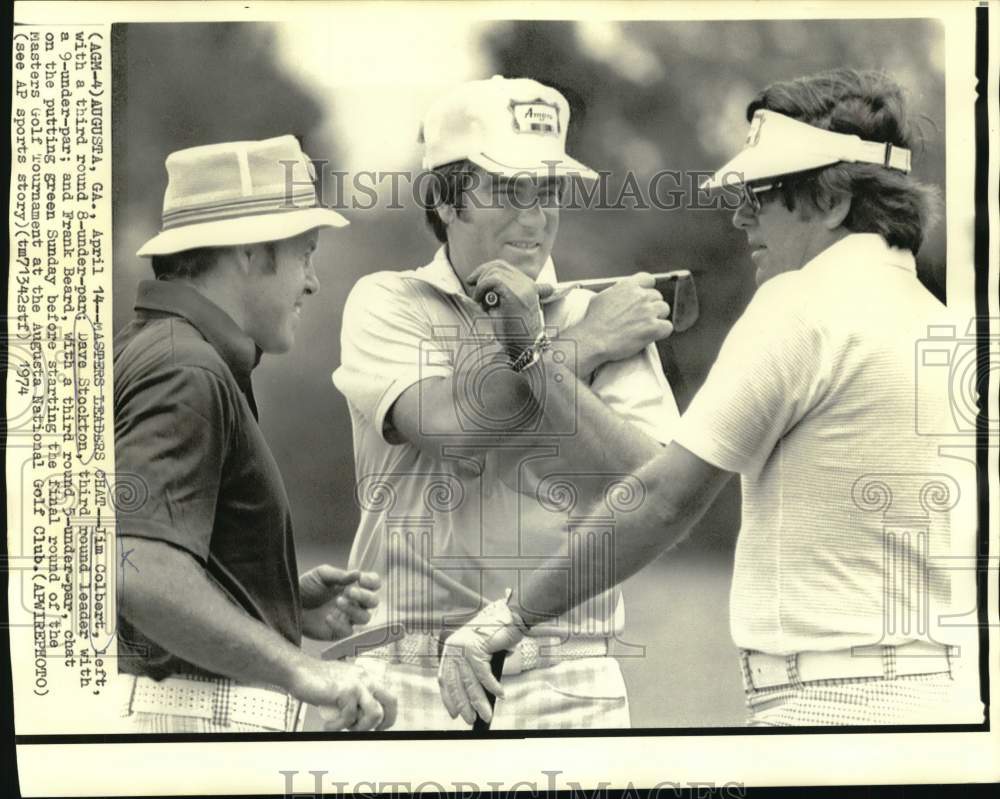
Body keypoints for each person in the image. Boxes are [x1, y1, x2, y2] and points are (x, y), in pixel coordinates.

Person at [439, 68, 984, 727]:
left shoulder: (799, 303)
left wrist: (508, 616)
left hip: (832, 705)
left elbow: (665, 500)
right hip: (954, 699)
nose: (740, 211)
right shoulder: (948, 324)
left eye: (765, 192)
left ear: (836, 201)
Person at [332, 76, 679, 729]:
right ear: (442, 196)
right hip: (409, 673)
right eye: (509, 187)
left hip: (569, 668)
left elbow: (651, 488)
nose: (536, 213)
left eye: (548, 188)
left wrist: (562, 344)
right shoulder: (386, 301)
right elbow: (452, 426)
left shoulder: (592, 307)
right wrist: (578, 346)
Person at [115, 135, 396, 733]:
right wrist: (306, 671)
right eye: (305, 253)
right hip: (196, 725)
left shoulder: (159, 350)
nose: (313, 281)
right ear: (247, 252)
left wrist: (271, 599)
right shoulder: (185, 370)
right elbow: (136, 570)